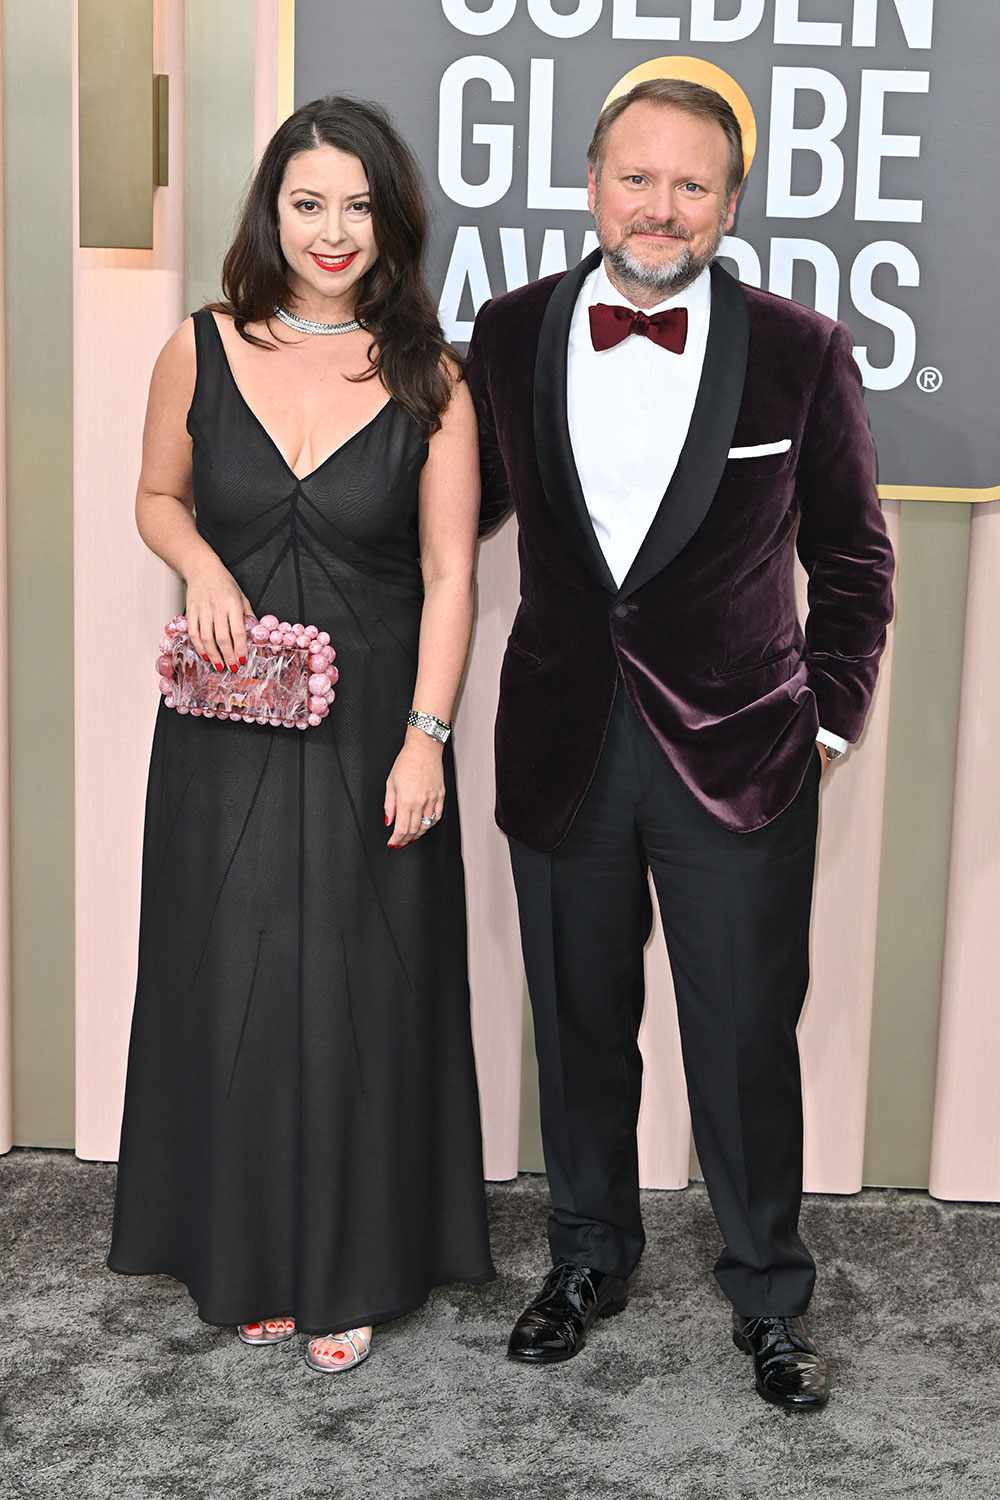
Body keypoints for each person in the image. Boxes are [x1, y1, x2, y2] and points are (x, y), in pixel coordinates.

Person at [465, 78, 894, 1410]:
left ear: (728, 204)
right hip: (564, 741)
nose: (662, 206)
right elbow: (449, 519)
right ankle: (589, 1255)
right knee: (580, 1025)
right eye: (637, 178)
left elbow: (855, 562)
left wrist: (822, 723)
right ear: (592, 186)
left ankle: (770, 1293)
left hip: (743, 761)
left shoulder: (799, 349)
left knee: (743, 1040)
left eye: (692, 184)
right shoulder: (513, 328)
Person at [108, 95, 495, 1372]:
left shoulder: (434, 378)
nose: (332, 231)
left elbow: (453, 576)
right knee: (237, 983)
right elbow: (158, 496)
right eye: (306, 202)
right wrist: (203, 569)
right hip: (225, 728)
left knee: (358, 994)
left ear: (392, 221)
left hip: (374, 726)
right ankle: (254, 1254)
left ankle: (352, 1267)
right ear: (270, 210)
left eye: (357, 205)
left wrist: (428, 736)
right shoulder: (197, 349)